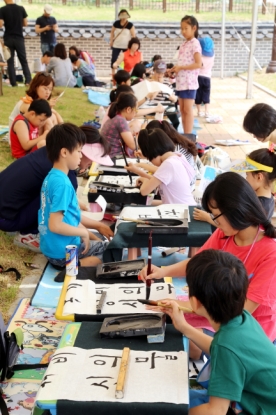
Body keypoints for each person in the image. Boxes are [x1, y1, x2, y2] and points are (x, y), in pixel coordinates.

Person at [139, 172, 276, 350]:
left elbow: (242, 311)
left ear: (236, 210)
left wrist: (185, 306)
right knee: (170, 322)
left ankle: (197, 351)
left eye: (216, 216)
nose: (214, 222)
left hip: (248, 327)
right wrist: (162, 271)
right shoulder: (225, 234)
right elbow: (198, 263)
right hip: (216, 310)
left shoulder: (270, 253)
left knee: (175, 326)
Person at [161, 249, 276, 414]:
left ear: (194, 302)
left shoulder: (227, 346)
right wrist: (185, 327)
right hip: (262, 399)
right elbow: (221, 348)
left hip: (261, 409)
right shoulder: (242, 318)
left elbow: (215, 411)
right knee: (183, 398)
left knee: (170, 404)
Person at [0, 125, 113, 252]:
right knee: (52, 199)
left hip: (4, 208)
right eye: (89, 157)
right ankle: (27, 234)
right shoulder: (64, 176)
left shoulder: (51, 153)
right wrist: (94, 231)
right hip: (7, 219)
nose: (91, 163)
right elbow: (68, 214)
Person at [38, 123, 107, 267]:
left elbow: (68, 217)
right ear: (64, 152)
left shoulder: (52, 177)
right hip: (63, 253)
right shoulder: (62, 184)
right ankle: (73, 266)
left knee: (97, 237)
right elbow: (55, 226)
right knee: (111, 251)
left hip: (51, 249)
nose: (81, 156)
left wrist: (84, 231)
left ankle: (71, 263)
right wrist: (84, 234)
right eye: (79, 151)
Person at [194, 148, 276, 224]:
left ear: (259, 177)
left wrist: (208, 218)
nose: (245, 178)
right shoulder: (267, 198)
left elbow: (233, 226)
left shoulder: (257, 207)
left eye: (247, 175)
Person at [126, 128, 196, 205]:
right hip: (182, 207)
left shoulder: (169, 164)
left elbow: (144, 191)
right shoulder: (177, 157)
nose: (151, 162)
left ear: (152, 152)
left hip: (181, 212)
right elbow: (159, 181)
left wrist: (145, 180)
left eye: (149, 158)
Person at [131, 119, 198, 189]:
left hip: (186, 186)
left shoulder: (174, 149)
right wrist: (148, 155)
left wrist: (140, 166)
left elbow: (161, 171)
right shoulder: (174, 143)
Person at [170, 15, 202, 134]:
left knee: (187, 110)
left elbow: (198, 64)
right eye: (181, 28)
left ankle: (188, 136)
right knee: (182, 110)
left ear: (194, 28)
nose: (183, 31)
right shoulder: (183, 44)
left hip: (189, 83)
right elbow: (182, 62)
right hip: (181, 82)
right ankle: (185, 134)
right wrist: (174, 69)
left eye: (186, 28)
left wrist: (181, 67)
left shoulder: (195, 43)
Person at [9, 71, 63, 140]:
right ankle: (54, 142)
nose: (48, 92)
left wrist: (63, 130)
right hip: (19, 139)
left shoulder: (40, 102)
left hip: (30, 136)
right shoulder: (27, 102)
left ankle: (58, 140)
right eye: (45, 88)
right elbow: (37, 121)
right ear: (36, 87)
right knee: (48, 119)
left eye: (50, 89)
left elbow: (59, 120)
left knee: (53, 116)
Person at [0, 0, 31, 87]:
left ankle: (13, 82)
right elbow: (25, 23)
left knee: (10, 61)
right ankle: (28, 80)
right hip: (19, 38)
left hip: (8, 38)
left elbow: (0, 24)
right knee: (23, 60)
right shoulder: (21, 9)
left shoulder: (2, 9)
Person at [100, 92, 138, 158]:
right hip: (113, 157)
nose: (136, 113)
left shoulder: (116, 117)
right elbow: (133, 146)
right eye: (136, 110)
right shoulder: (121, 121)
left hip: (107, 154)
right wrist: (139, 135)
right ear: (128, 109)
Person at [149, 59, 179, 130]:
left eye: (162, 73)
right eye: (158, 73)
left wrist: (170, 96)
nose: (160, 75)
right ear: (154, 71)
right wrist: (159, 85)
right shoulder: (149, 83)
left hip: (166, 108)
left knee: (175, 120)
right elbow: (151, 97)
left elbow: (175, 99)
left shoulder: (167, 83)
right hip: (153, 107)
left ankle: (173, 134)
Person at [110, 9, 135, 76]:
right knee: (114, 59)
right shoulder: (116, 23)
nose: (124, 18)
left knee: (127, 60)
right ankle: (113, 74)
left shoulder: (130, 25)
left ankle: (126, 74)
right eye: (122, 16)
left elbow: (133, 36)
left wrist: (132, 46)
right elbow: (112, 32)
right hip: (116, 45)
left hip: (126, 46)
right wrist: (111, 41)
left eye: (125, 16)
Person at [195, 37, 215, 118]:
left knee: (198, 94)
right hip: (207, 77)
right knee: (206, 94)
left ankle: (199, 112)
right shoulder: (212, 54)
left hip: (198, 77)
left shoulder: (198, 55)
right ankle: (207, 112)